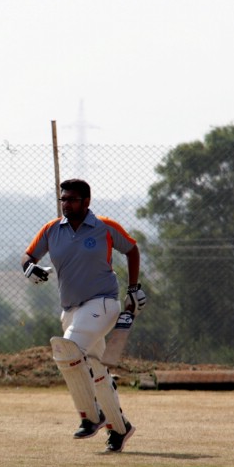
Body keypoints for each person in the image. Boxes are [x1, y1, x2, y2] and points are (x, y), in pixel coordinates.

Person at [22, 179, 146, 453]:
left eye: (72, 199)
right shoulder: (52, 230)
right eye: (63, 199)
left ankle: (92, 416)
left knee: (67, 351)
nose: (66, 204)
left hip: (103, 304)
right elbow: (28, 256)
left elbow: (132, 249)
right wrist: (30, 268)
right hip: (71, 310)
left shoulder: (104, 227)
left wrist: (134, 288)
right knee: (98, 370)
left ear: (87, 201)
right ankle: (120, 428)